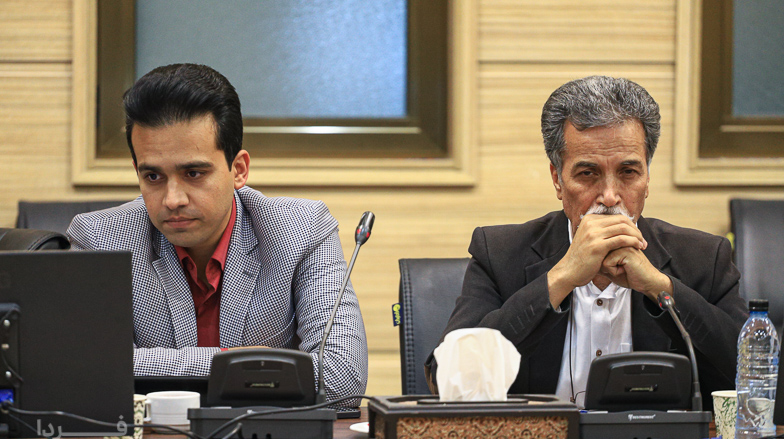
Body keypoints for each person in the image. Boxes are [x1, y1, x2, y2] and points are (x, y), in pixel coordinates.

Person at [426, 75, 747, 408]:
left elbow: (753, 379)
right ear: (558, 179)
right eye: (587, 173)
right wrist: (560, 279)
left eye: (628, 172)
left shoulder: (703, 259)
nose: (609, 197)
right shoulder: (500, 254)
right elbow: (446, 382)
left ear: (647, 179)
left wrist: (659, 288)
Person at [67, 63, 368, 405]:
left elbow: (342, 379)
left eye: (193, 173)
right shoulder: (99, 240)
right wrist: (237, 362)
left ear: (238, 169)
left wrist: (153, 365)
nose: (172, 199)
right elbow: (83, 369)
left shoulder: (301, 230)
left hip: (264, 438)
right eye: (153, 177)